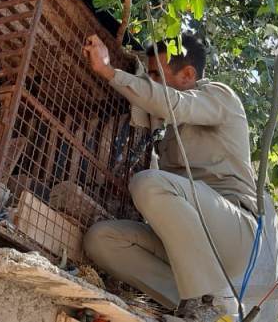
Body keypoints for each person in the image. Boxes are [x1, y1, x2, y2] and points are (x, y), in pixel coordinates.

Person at [81, 34, 264, 318]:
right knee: (101, 239)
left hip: (234, 235)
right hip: (193, 248)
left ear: (188, 74)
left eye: (155, 74)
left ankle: (214, 303)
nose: (149, 80)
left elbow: (171, 103)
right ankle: (192, 307)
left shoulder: (219, 96)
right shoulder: (166, 127)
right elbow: (153, 105)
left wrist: (108, 71)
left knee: (147, 183)